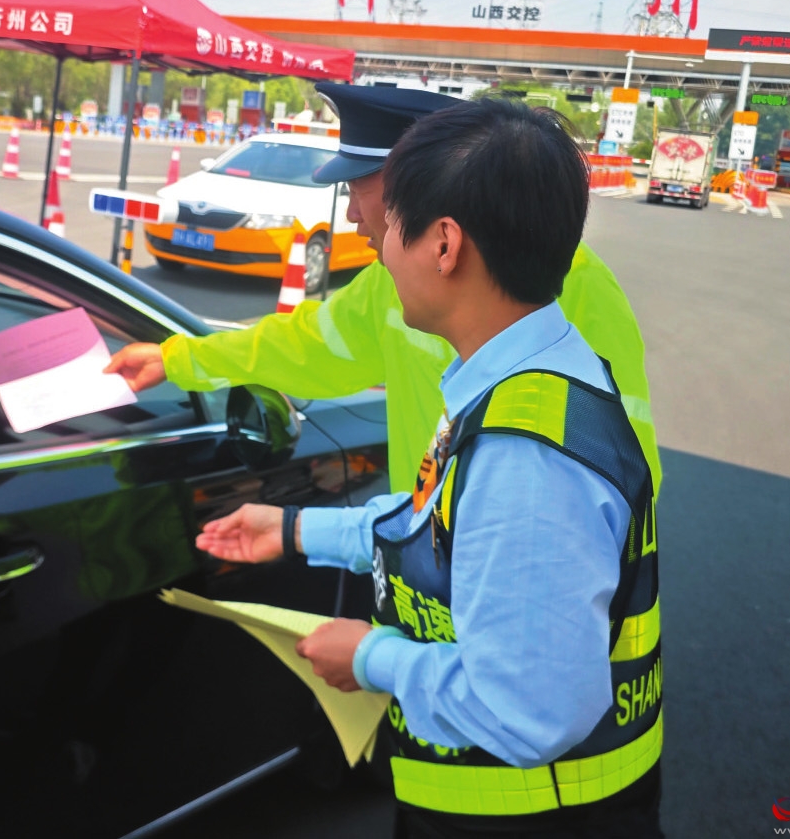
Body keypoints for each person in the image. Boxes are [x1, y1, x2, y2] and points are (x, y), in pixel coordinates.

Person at [197, 100, 662, 837]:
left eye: (392, 226)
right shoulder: (522, 377)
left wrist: (372, 657)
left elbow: (531, 711)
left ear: (444, 245)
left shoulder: (524, 453)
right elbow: (440, 524)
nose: (381, 250)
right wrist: (294, 531)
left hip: (522, 815)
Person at [104, 82, 662, 501]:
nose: (352, 214)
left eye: (361, 190)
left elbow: (620, 478)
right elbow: (305, 344)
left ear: (426, 197)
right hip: (427, 574)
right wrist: (179, 359)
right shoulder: (389, 284)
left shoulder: (575, 287)